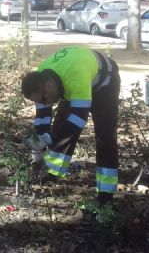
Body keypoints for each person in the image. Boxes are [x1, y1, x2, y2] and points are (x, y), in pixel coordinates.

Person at [21, 46, 121, 205]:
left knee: (105, 135)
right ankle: (53, 172)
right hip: (70, 82)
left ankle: (106, 192)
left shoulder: (75, 76)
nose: (44, 104)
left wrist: (50, 138)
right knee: (61, 123)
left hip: (104, 84)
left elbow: (79, 120)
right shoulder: (41, 79)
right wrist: (38, 145)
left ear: (48, 87)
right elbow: (43, 117)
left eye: (44, 100)